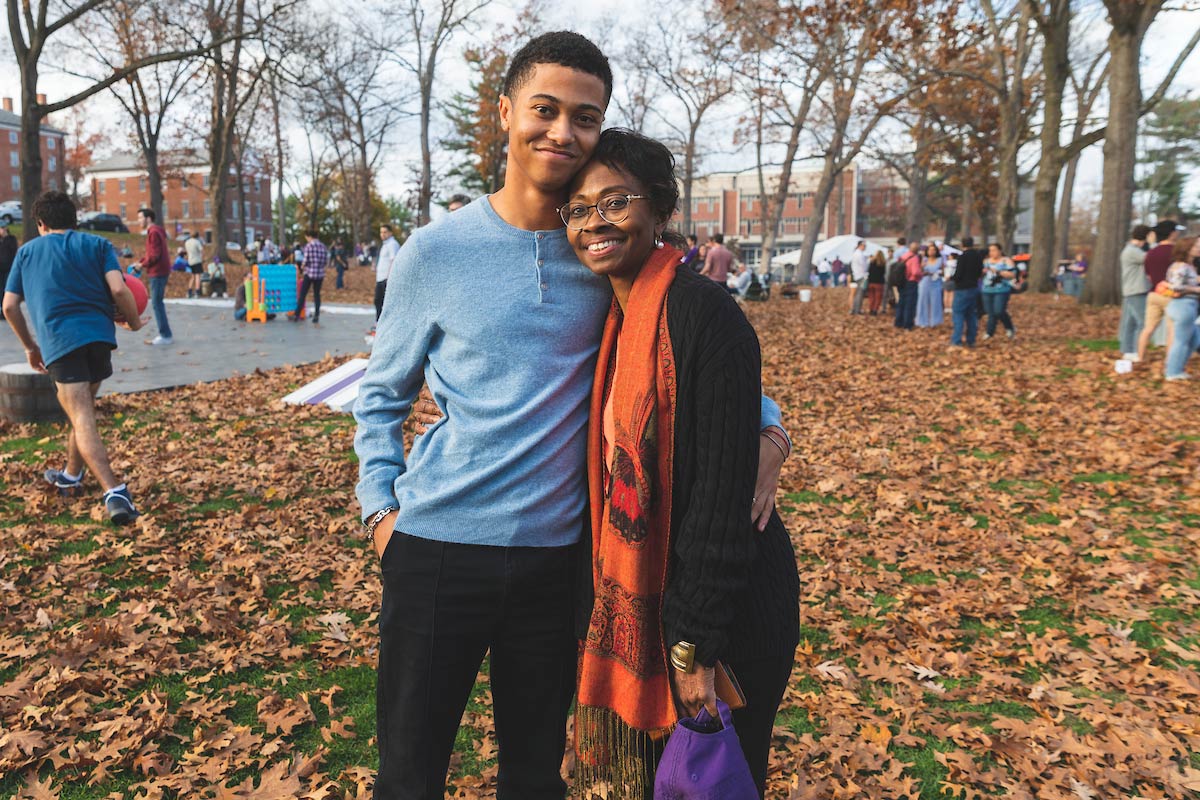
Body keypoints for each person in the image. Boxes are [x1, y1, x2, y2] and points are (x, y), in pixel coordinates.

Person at [353, 32, 789, 800]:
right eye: (545, 110)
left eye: (583, 118)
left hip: (561, 562)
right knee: (410, 772)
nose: (562, 132)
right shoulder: (435, 252)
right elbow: (382, 395)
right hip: (438, 550)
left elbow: (684, 353)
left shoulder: (600, 248)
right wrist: (379, 511)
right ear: (505, 114)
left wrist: (771, 425)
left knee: (535, 774)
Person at [565, 129, 798, 800]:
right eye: (578, 208)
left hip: (723, 619)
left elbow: (722, 503)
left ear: (660, 207)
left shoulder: (706, 316)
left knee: (709, 782)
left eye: (615, 200)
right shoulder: (607, 320)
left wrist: (693, 647)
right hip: (636, 615)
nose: (594, 222)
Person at [2, 191, 143, 524]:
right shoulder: (99, 245)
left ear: (40, 223)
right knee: (81, 413)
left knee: (80, 413)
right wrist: (134, 323)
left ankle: (114, 492)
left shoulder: (26, 252)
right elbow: (120, 289)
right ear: (74, 219)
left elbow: (9, 306)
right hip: (100, 339)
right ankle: (71, 474)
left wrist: (29, 346)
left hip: (61, 342)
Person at [1138, 219, 1183, 363]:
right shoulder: (1178, 252)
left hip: (1154, 294)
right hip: (1172, 296)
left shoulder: (1151, 252)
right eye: (1176, 230)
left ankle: (1140, 357)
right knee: (1172, 330)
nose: (1178, 233)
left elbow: (1148, 275)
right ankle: (1170, 362)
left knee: (1148, 329)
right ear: (1171, 233)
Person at [1163, 236, 1200, 381]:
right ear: (1187, 249)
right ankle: (1172, 372)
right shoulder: (1182, 267)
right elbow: (1175, 288)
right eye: (1196, 246)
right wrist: (1196, 289)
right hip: (1183, 306)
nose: (1198, 248)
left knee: (1193, 339)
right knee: (1181, 341)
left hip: (1188, 305)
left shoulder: (1188, 266)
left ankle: (1177, 368)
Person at [137, 208, 172, 345]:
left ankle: (165, 335)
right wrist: (140, 262)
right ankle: (166, 334)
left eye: (140, 218)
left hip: (158, 272)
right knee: (158, 303)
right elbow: (152, 254)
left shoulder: (153, 232)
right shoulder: (156, 231)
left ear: (148, 218)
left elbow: (154, 256)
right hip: (159, 270)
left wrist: (141, 265)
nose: (139, 221)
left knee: (157, 304)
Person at [1119, 225, 1151, 361]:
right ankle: (1137, 350)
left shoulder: (1132, 250)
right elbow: (1151, 258)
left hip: (1132, 290)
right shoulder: (1133, 251)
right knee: (1142, 322)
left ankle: (1128, 350)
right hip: (1136, 290)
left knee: (1130, 322)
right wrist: (1154, 242)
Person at [950, 237, 983, 347]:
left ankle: (956, 340)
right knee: (971, 315)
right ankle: (971, 339)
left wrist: (953, 278)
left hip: (962, 288)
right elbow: (979, 272)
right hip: (973, 287)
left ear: (962, 244)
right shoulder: (978, 256)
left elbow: (958, 274)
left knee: (958, 314)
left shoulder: (962, 257)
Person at [981, 242, 1016, 340]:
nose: (992, 253)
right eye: (990, 251)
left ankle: (1009, 327)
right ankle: (989, 332)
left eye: (994, 250)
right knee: (990, 312)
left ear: (1000, 251)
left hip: (1002, 289)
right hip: (987, 290)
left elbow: (1012, 274)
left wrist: (999, 272)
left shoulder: (1006, 261)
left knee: (999, 311)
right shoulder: (986, 261)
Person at [290, 231, 327, 323]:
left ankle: (297, 314)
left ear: (309, 236)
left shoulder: (309, 246)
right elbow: (325, 261)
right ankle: (316, 315)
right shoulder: (323, 246)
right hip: (319, 273)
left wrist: (301, 268)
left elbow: (305, 260)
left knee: (303, 294)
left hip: (309, 273)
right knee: (317, 295)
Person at [373, 223, 399, 324]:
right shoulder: (385, 245)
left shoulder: (393, 244)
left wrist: (389, 278)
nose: (382, 234)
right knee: (377, 301)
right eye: (381, 232)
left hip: (386, 279)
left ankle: (383, 324)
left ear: (390, 233)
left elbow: (394, 261)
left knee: (384, 303)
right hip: (380, 278)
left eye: (385, 232)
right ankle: (378, 323)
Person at [915, 242, 944, 327]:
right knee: (923, 302)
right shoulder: (924, 260)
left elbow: (943, 272)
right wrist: (922, 268)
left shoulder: (940, 260)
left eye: (933, 250)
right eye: (930, 250)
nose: (931, 252)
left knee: (936, 302)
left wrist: (938, 273)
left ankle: (935, 321)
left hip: (936, 283)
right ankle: (922, 321)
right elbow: (920, 272)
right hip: (925, 282)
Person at [893, 243, 921, 330]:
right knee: (909, 304)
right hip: (911, 282)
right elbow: (915, 272)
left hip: (901, 282)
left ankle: (898, 322)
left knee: (901, 302)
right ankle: (907, 324)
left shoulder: (903, 256)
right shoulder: (914, 258)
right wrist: (922, 273)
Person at [850, 240, 869, 314]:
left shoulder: (856, 253)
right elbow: (863, 266)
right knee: (859, 294)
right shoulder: (859, 254)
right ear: (860, 245)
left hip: (858, 275)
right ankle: (857, 309)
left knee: (858, 293)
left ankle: (855, 309)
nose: (865, 247)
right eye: (864, 246)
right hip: (861, 275)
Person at [184, 230, 204, 298]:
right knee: (197, 276)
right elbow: (201, 250)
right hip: (197, 260)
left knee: (192, 276)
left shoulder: (187, 242)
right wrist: (202, 257)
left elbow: (187, 251)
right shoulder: (197, 242)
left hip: (190, 260)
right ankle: (197, 291)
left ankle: (189, 291)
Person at [866, 250, 886, 314]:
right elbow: (884, 273)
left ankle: (871, 309)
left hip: (871, 282)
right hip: (879, 283)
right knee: (878, 297)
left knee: (871, 297)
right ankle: (875, 310)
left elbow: (868, 271)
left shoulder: (872, 262)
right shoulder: (883, 264)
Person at [0, 224, 17, 295]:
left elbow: (13, 250)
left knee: (7, 287)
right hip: (0, 267)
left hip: (9, 267)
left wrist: (6, 237)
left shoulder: (11, 239)